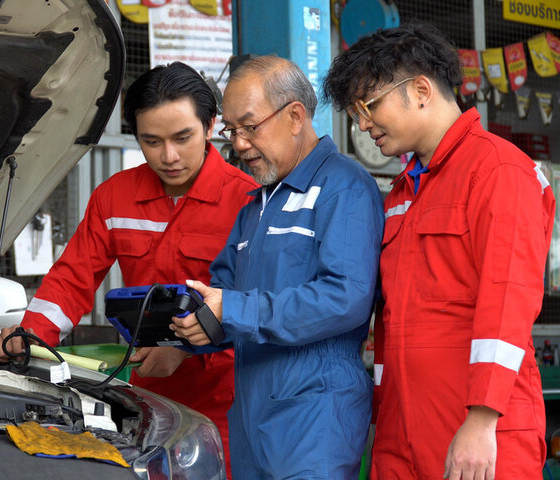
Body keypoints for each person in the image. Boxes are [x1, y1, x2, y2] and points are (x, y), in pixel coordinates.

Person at [0, 61, 258, 476]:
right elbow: (72, 279)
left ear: (210, 127)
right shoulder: (115, 197)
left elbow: (259, 305)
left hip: (229, 401)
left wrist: (187, 350)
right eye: (151, 141)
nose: (168, 157)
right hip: (142, 400)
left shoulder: (249, 203)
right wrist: (31, 337)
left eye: (182, 138)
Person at [322, 24, 555, 480]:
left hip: (478, 431)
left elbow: (507, 301)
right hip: (400, 429)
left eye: (368, 107)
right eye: (355, 113)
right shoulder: (401, 191)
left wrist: (482, 420)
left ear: (422, 90)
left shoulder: (499, 171)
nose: (363, 125)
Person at [172, 55, 384, 479]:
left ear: (294, 116)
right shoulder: (257, 205)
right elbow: (225, 288)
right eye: (232, 131)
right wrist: (194, 325)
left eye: (250, 127)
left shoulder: (345, 188)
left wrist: (229, 310)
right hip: (252, 418)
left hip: (315, 418)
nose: (239, 144)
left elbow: (345, 297)